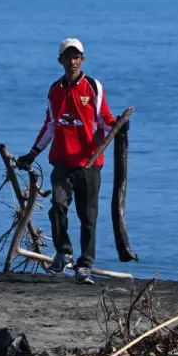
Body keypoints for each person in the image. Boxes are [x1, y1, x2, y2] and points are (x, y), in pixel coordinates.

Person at [14, 38, 116, 285]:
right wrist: (32, 153)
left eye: (76, 57)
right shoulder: (55, 90)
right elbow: (50, 125)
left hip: (90, 163)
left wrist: (118, 127)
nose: (72, 62)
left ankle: (84, 266)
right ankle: (63, 252)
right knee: (58, 206)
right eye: (67, 57)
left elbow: (104, 119)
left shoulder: (93, 86)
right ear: (60, 60)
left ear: (82, 59)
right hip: (62, 162)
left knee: (88, 216)